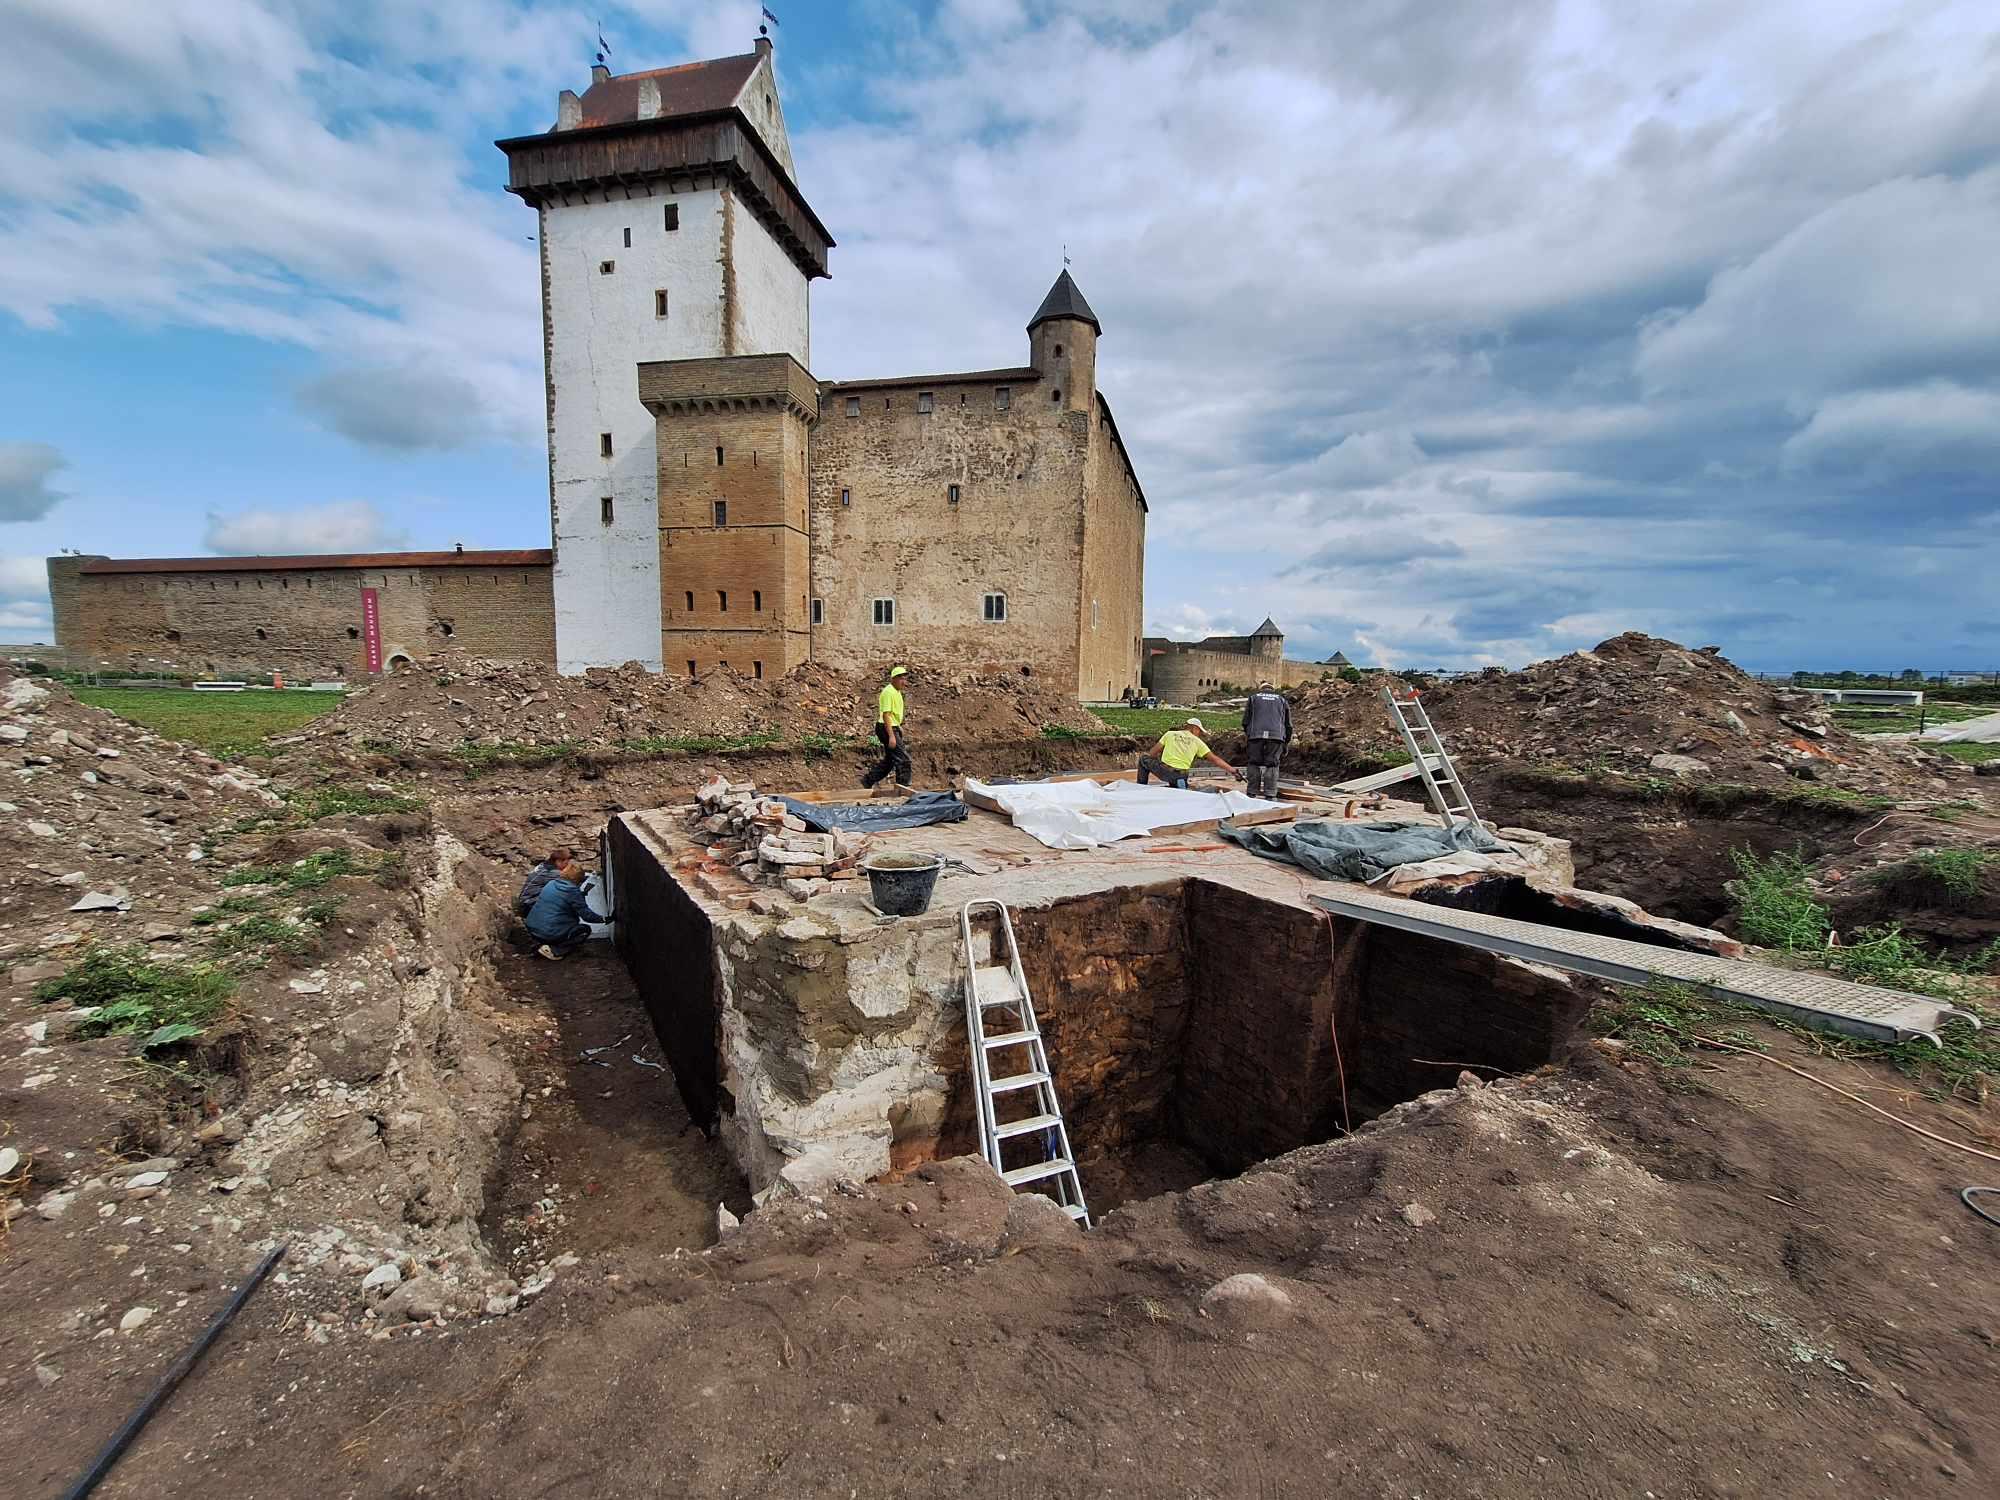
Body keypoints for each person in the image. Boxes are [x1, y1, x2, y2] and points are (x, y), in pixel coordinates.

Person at [526, 860, 605, 960]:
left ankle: (541, 943)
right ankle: (554, 950)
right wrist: (604, 919)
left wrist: (579, 896)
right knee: (584, 930)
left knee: (558, 921)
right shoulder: (572, 891)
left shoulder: (551, 883)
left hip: (532, 926)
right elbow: (587, 916)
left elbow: (558, 901)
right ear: (577, 879)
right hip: (548, 932)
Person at [1137, 716, 1241, 789]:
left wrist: (1158, 762)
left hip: (1166, 771)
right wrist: (1233, 771)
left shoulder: (1170, 734)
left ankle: (1141, 788)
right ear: (1194, 728)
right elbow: (1215, 759)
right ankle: (1178, 784)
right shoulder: (1198, 742)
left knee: (1143, 759)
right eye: (1199, 731)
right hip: (1182, 775)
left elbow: (1152, 753)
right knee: (1178, 783)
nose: (1199, 734)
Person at [860, 664, 912, 791]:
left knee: (890, 760)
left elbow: (893, 715)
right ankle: (903, 789)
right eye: (900, 678)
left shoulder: (897, 692)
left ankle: (867, 781)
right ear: (893, 679)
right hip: (886, 727)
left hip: (891, 727)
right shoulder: (888, 692)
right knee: (904, 760)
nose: (903, 681)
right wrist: (892, 736)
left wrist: (898, 727)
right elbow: (886, 715)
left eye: (904, 678)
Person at [1241, 681, 1293, 797]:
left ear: (1261, 689)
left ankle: (1252, 791)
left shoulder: (1253, 698)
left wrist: (1249, 735)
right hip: (1276, 736)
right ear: (1272, 690)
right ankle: (1270, 793)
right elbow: (1288, 724)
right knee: (1272, 764)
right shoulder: (1282, 700)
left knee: (1254, 762)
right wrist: (1286, 743)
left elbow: (1245, 721)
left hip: (1256, 735)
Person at [514, 845, 575, 917]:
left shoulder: (545, 865)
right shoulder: (552, 872)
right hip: (528, 903)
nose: (567, 865)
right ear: (558, 861)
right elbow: (570, 883)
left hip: (526, 899)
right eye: (566, 863)